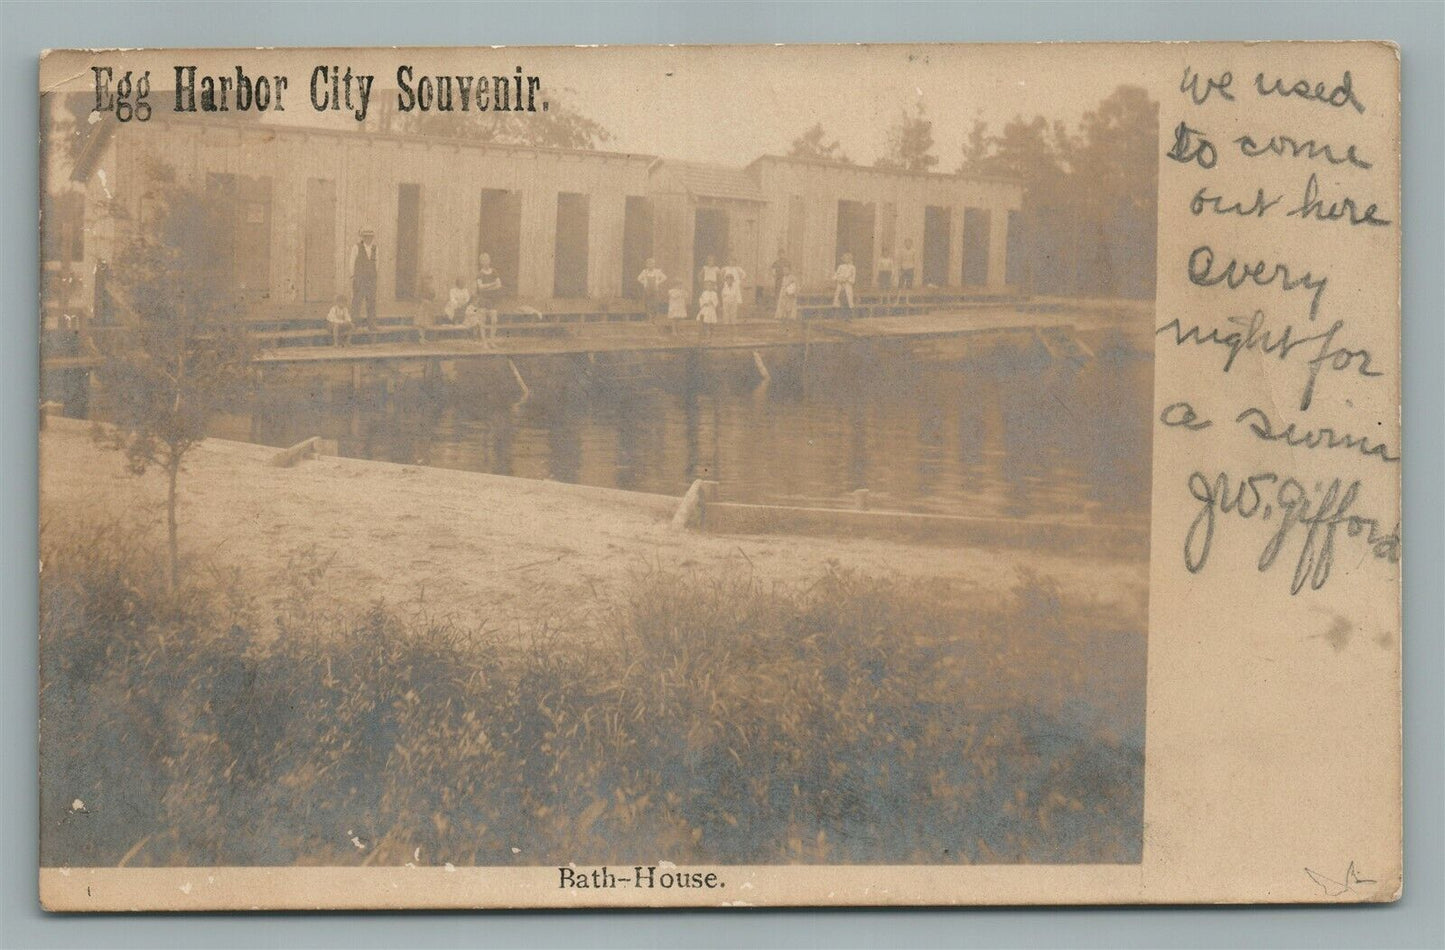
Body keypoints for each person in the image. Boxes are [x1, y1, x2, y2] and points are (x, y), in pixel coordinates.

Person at [469, 253, 503, 346]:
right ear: (481, 263)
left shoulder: (494, 272)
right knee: (482, 320)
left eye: (487, 259)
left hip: (492, 299)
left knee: (494, 320)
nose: (486, 262)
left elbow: (499, 285)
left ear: (490, 260)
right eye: (483, 260)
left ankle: (492, 341)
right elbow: (480, 287)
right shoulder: (480, 274)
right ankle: (484, 342)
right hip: (483, 299)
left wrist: (487, 287)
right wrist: (492, 285)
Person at [349, 227, 379, 334]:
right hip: (359, 278)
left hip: (371, 279)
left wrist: (374, 277)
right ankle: (353, 324)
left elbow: (376, 263)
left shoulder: (375, 248)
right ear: (363, 237)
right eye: (366, 236)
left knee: (371, 302)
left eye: (370, 237)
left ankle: (372, 325)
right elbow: (352, 262)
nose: (369, 239)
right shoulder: (356, 247)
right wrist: (353, 276)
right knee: (357, 301)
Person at [720, 257, 746, 324]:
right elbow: (720, 272)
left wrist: (740, 280)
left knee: (735, 295)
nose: (732, 263)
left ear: (735, 262)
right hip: (727, 283)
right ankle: (726, 322)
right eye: (730, 261)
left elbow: (744, 274)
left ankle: (733, 321)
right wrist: (723, 279)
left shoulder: (737, 268)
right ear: (728, 262)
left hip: (735, 283)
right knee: (727, 295)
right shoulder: (726, 268)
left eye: (733, 261)